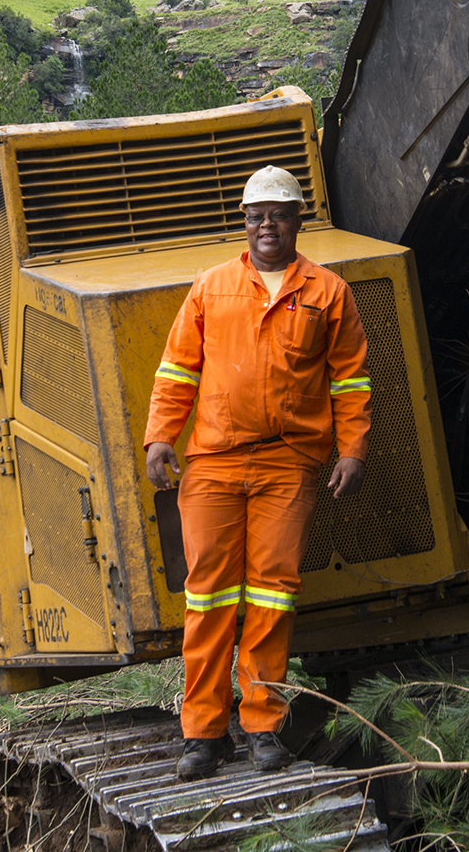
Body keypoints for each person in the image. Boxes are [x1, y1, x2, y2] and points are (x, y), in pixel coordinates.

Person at [144, 164, 370, 779]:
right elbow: (177, 369)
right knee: (208, 597)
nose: (265, 224)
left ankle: (263, 726)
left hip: (289, 462)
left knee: (273, 594)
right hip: (214, 461)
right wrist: (161, 435)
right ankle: (204, 735)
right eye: (255, 214)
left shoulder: (327, 292)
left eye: (278, 213)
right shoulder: (211, 286)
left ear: (298, 220)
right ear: (244, 223)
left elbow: (349, 380)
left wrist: (352, 448)